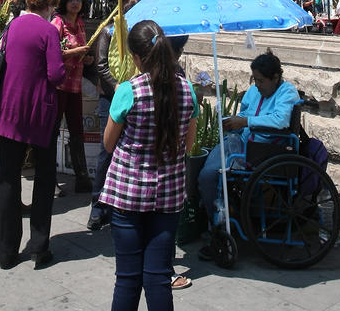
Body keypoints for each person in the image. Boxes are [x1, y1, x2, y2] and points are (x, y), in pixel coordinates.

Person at [98, 20, 198, 311]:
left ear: (137, 58)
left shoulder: (128, 91)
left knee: (127, 279)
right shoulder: (187, 90)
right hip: (168, 195)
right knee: (158, 278)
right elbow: (188, 146)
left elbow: (107, 143)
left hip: (127, 194)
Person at [0, 0, 66, 270]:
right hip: (39, 112)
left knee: (8, 178)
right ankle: (39, 246)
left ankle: (6, 253)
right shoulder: (49, 30)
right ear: (49, 4)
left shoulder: (13, 26)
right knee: (44, 180)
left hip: (9, 108)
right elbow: (56, 74)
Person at [197, 49, 299, 258]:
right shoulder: (254, 92)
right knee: (205, 173)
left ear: (275, 78)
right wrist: (233, 121)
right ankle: (217, 222)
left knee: (212, 176)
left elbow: (280, 120)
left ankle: (219, 226)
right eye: (256, 80)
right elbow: (245, 113)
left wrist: (245, 122)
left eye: (261, 81)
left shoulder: (287, 92)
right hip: (240, 143)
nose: (258, 85)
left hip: (264, 152)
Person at [87, 0, 139, 232]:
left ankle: (120, 205)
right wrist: (116, 86)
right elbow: (101, 65)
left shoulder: (138, 37)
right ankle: (97, 207)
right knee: (106, 151)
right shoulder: (108, 32)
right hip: (111, 98)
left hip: (133, 96)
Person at [54, 0, 94, 193]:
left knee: (77, 131)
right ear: (65, 2)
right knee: (52, 132)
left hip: (75, 86)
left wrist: (86, 58)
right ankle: (49, 178)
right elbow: (52, 53)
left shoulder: (80, 25)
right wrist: (77, 51)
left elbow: (79, 54)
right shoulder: (57, 23)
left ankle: (82, 177)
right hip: (59, 85)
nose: (75, 2)